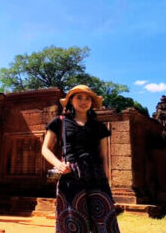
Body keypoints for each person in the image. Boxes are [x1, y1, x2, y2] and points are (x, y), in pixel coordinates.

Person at [42, 85, 120, 233]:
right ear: (70, 100)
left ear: (92, 103)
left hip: (96, 175)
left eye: (88, 98)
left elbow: (104, 156)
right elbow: (45, 149)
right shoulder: (59, 122)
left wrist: (107, 178)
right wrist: (58, 164)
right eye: (79, 97)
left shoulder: (99, 127)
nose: (83, 101)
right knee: (72, 220)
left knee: (104, 220)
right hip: (70, 174)